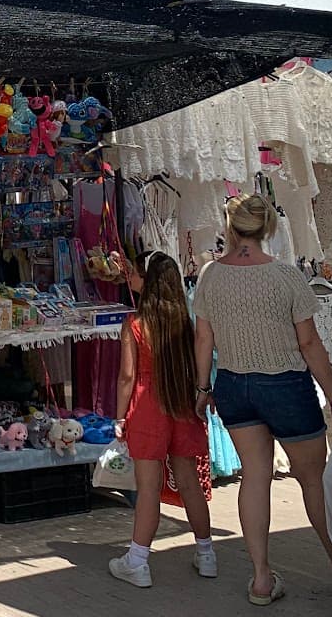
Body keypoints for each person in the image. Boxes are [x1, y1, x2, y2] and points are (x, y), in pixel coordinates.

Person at [193, 194, 332, 606]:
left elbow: (204, 338)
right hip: (286, 384)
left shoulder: (209, 276)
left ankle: (260, 579)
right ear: (269, 227)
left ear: (231, 228)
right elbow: (309, 343)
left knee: (254, 477)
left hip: (234, 385)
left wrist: (203, 389)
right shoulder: (286, 277)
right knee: (312, 480)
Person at [108, 250, 215, 588]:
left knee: (149, 488)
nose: (131, 278)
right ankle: (207, 553)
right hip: (181, 402)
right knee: (189, 483)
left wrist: (119, 417)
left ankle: (138, 560)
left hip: (147, 407)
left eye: (136, 273)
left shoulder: (136, 324)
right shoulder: (183, 321)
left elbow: (127, 377)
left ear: (148, 280)